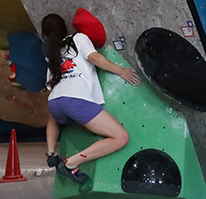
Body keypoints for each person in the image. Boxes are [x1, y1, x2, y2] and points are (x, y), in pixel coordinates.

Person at [42, 13, 140, 187]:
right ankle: (70, 163)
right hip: (76, 101)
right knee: (121, 137)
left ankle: (51, 153)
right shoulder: (78, 38)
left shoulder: (51, 53)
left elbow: (51, 87)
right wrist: (121, 71)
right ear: (65, 25)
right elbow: (94, 57)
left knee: (54, 117)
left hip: (55, 102)